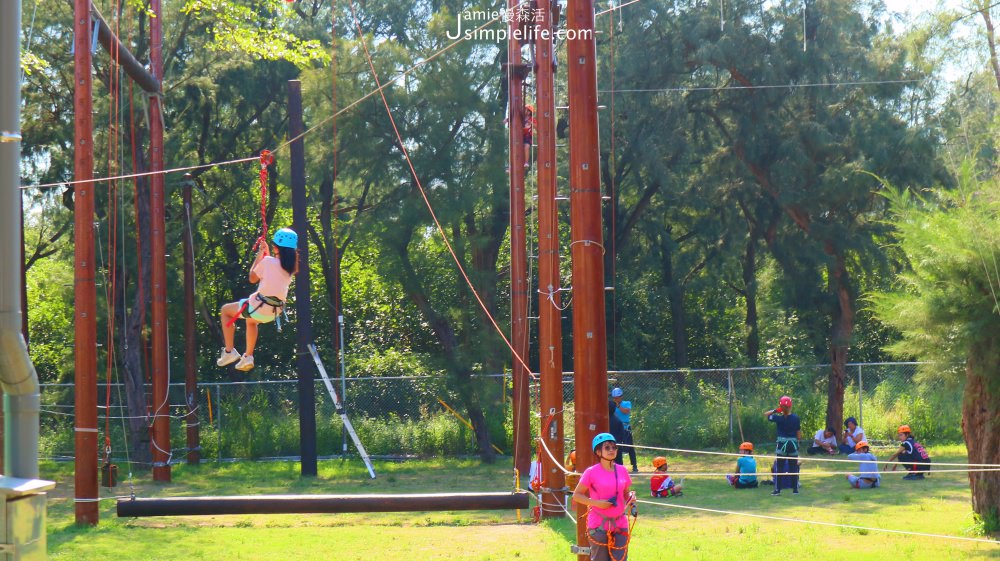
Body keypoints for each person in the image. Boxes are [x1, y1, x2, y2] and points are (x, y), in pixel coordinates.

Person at [217, 228, 298, 372]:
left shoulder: (267, 261)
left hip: (258, 306)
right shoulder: (290, 269)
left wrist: (260, 254)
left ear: (276, 247)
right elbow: (272, 271)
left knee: (225, 311)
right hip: (273, 311)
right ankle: (248, 356)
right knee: (251, 321)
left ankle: (229, 352)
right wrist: (266, 256)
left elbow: (252, 278)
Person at [572, 433, 636, 561]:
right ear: (598, 451)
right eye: (607, 447)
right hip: (598, 524)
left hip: (620, 523)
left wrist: (632, 500)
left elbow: (625, 492)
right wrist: (597, 503)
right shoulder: (591, 472)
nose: (612, 450)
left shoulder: (622, 470)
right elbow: (577, 495)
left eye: (614, 447)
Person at [765, 395, 802, 495]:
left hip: (782, 445)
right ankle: (795, 490)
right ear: (790, 406)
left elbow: (766, 414)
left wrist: (776, 410)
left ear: (781, 406)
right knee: (793, 467)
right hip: (793, 445)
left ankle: (777, 490)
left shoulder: (778, 418)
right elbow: (798, 433)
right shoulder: (796, 418)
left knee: (780, 468)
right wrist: (798, 442)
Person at [611, 387, 638, 473]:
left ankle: (634, 466)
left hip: (626, 427)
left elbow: (626, 411)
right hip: (616, 427)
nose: (616, 399)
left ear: (621, 396)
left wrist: (618, 405)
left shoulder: (626, 403)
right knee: (617, 446)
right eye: (614, 398)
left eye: (618, 397)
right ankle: (618, 466)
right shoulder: (612, 405)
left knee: (630, 446)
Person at [608, 396, 628, 467]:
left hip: (606, 445)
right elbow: (622, 434)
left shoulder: (603, 420)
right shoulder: (618, 420)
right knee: (618, 462)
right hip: (616, 444)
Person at [522, 104, 537, 168]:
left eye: (526, 110)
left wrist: (531, 123)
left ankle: (526, 162)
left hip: (527, 136)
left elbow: (537, 127)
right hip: (520, 135)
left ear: (529, 112)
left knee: (527, 147)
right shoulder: (520, 118)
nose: (525, 111)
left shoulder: (532, 119)